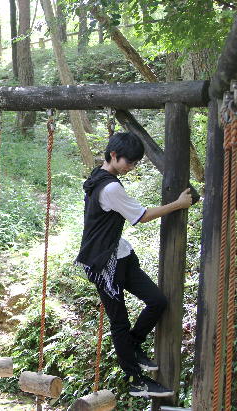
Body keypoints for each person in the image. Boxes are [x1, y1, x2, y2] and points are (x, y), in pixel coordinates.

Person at [75, 132, 194, 398]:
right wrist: (178, 204)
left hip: (120, 256)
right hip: (104, 264)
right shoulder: (109, 187)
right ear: (113, 155)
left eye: (135, 162)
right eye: (129, 162)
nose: (132, 167)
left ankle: (133, 347)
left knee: (157, 301)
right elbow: (142, 216)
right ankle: (135, 380)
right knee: (119, 322)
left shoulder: (99, 176)